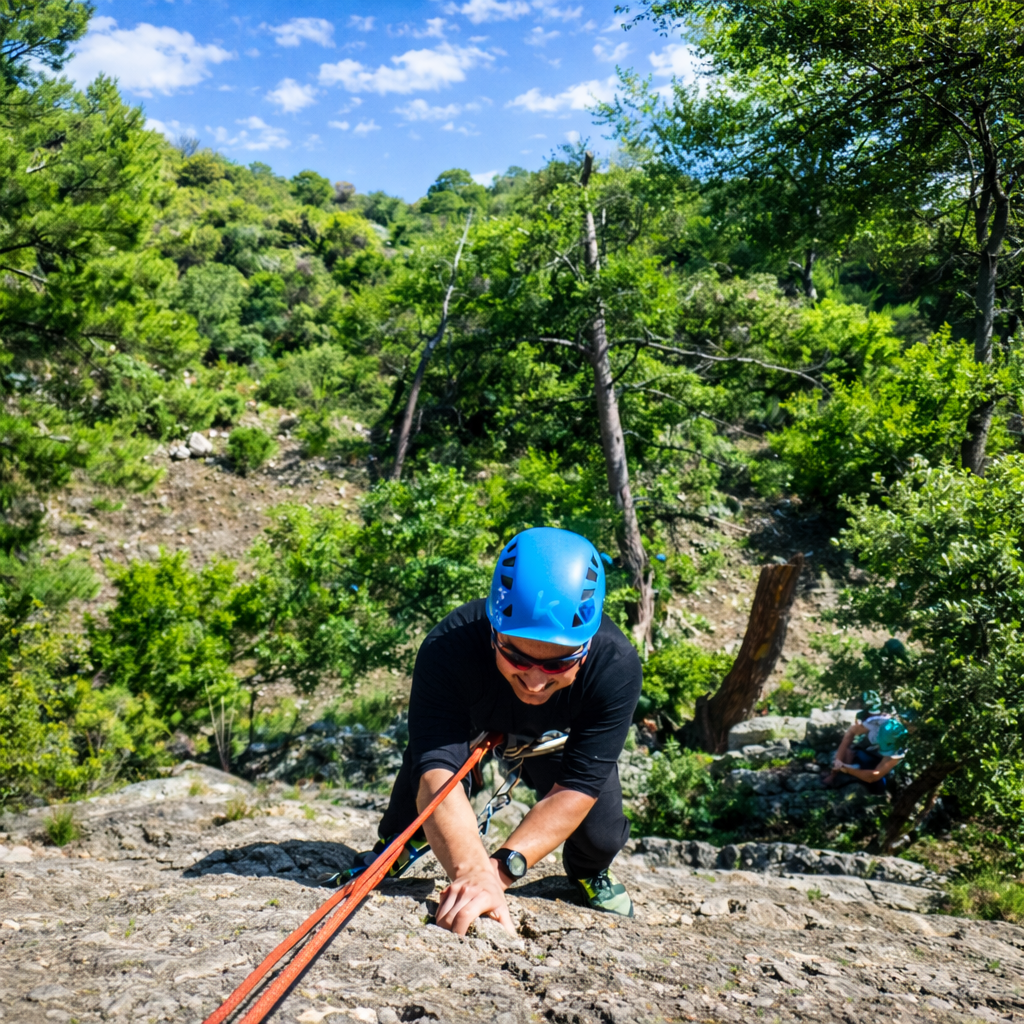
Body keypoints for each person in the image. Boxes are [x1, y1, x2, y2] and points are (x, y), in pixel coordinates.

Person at [342, 526, 642, 937]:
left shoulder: (615, 665)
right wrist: (469, 868)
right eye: (517, 657)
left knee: (600, 836)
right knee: (421, 786)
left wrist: (496, 872)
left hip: (556, 738)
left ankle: (590, 871)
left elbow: (579, 784)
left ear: (586, 647)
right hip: (473, 722)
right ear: (494, 631)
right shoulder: (449, 647)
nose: (535, 682)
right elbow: (437, 768)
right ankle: (406, 837)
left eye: (557, 664)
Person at [823, 693, 909, 792]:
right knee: (847, 753)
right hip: (866, 755)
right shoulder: (876, 722)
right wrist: (837, 766)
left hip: (882, 767)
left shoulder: (898, 750)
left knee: (878, 787)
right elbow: (850, 734)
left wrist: (846, 769)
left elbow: (873, 776)